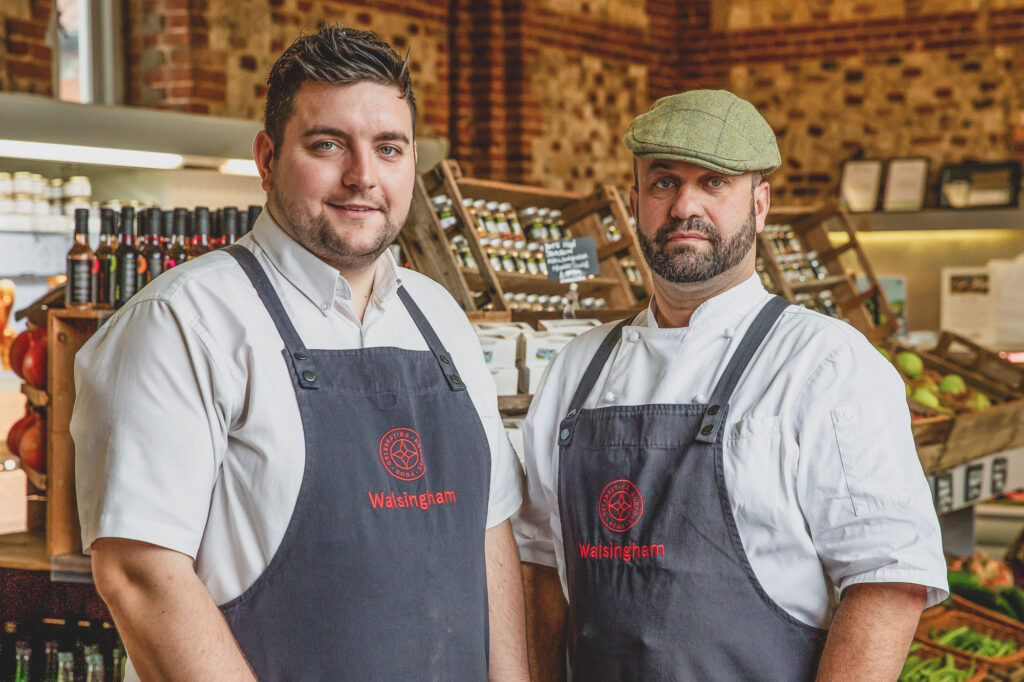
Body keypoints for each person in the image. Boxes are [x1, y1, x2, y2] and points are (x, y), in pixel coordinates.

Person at [72, 26, 529, 681]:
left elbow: (491, 538)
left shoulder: (441, 319)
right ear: (267, 157)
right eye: (327, 144)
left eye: (389, 148)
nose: (362, 176)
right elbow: (141, 574)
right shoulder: (183, 321)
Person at [513, 89, 948, 680]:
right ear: (636, 202)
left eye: (715, 183)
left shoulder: (824, 363)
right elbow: (538, 566)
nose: (685, 204)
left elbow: (888, 582)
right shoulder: (577, 369)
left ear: (760, 205)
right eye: (664, 182)